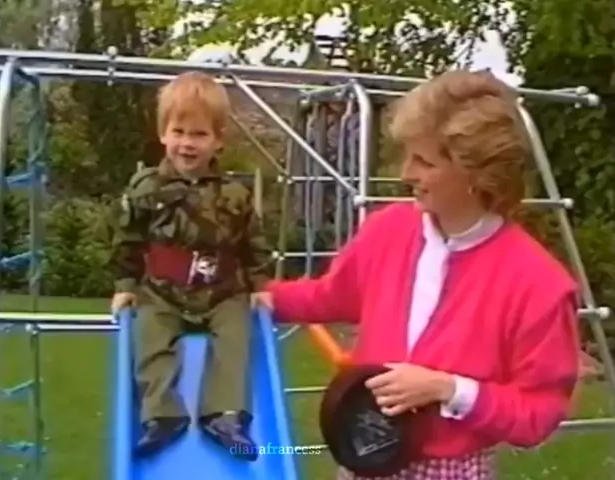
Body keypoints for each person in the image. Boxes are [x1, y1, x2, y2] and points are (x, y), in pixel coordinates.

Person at [253, 70, 581, 479]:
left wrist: (448, 389)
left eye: (424, 161)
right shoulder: (387, 230)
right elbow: (330, 295)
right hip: (364, 455)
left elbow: (538, 414)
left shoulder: (538, 285)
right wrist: (263, 297)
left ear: (476, 174)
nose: (406, 173)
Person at [110, 71, 273, 460]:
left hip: (221, 290)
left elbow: (253, 244)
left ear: (218, 140)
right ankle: (162, 414)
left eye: (199, 134)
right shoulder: (146, 188)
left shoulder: (233, 194)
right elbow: (127, 239)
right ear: (163, 133)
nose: (187, 143)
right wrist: (126, 285)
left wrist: (261, 285)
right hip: (163, 290)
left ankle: (225, 416)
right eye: (179, 131)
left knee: (236, 337)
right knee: (150, 335)